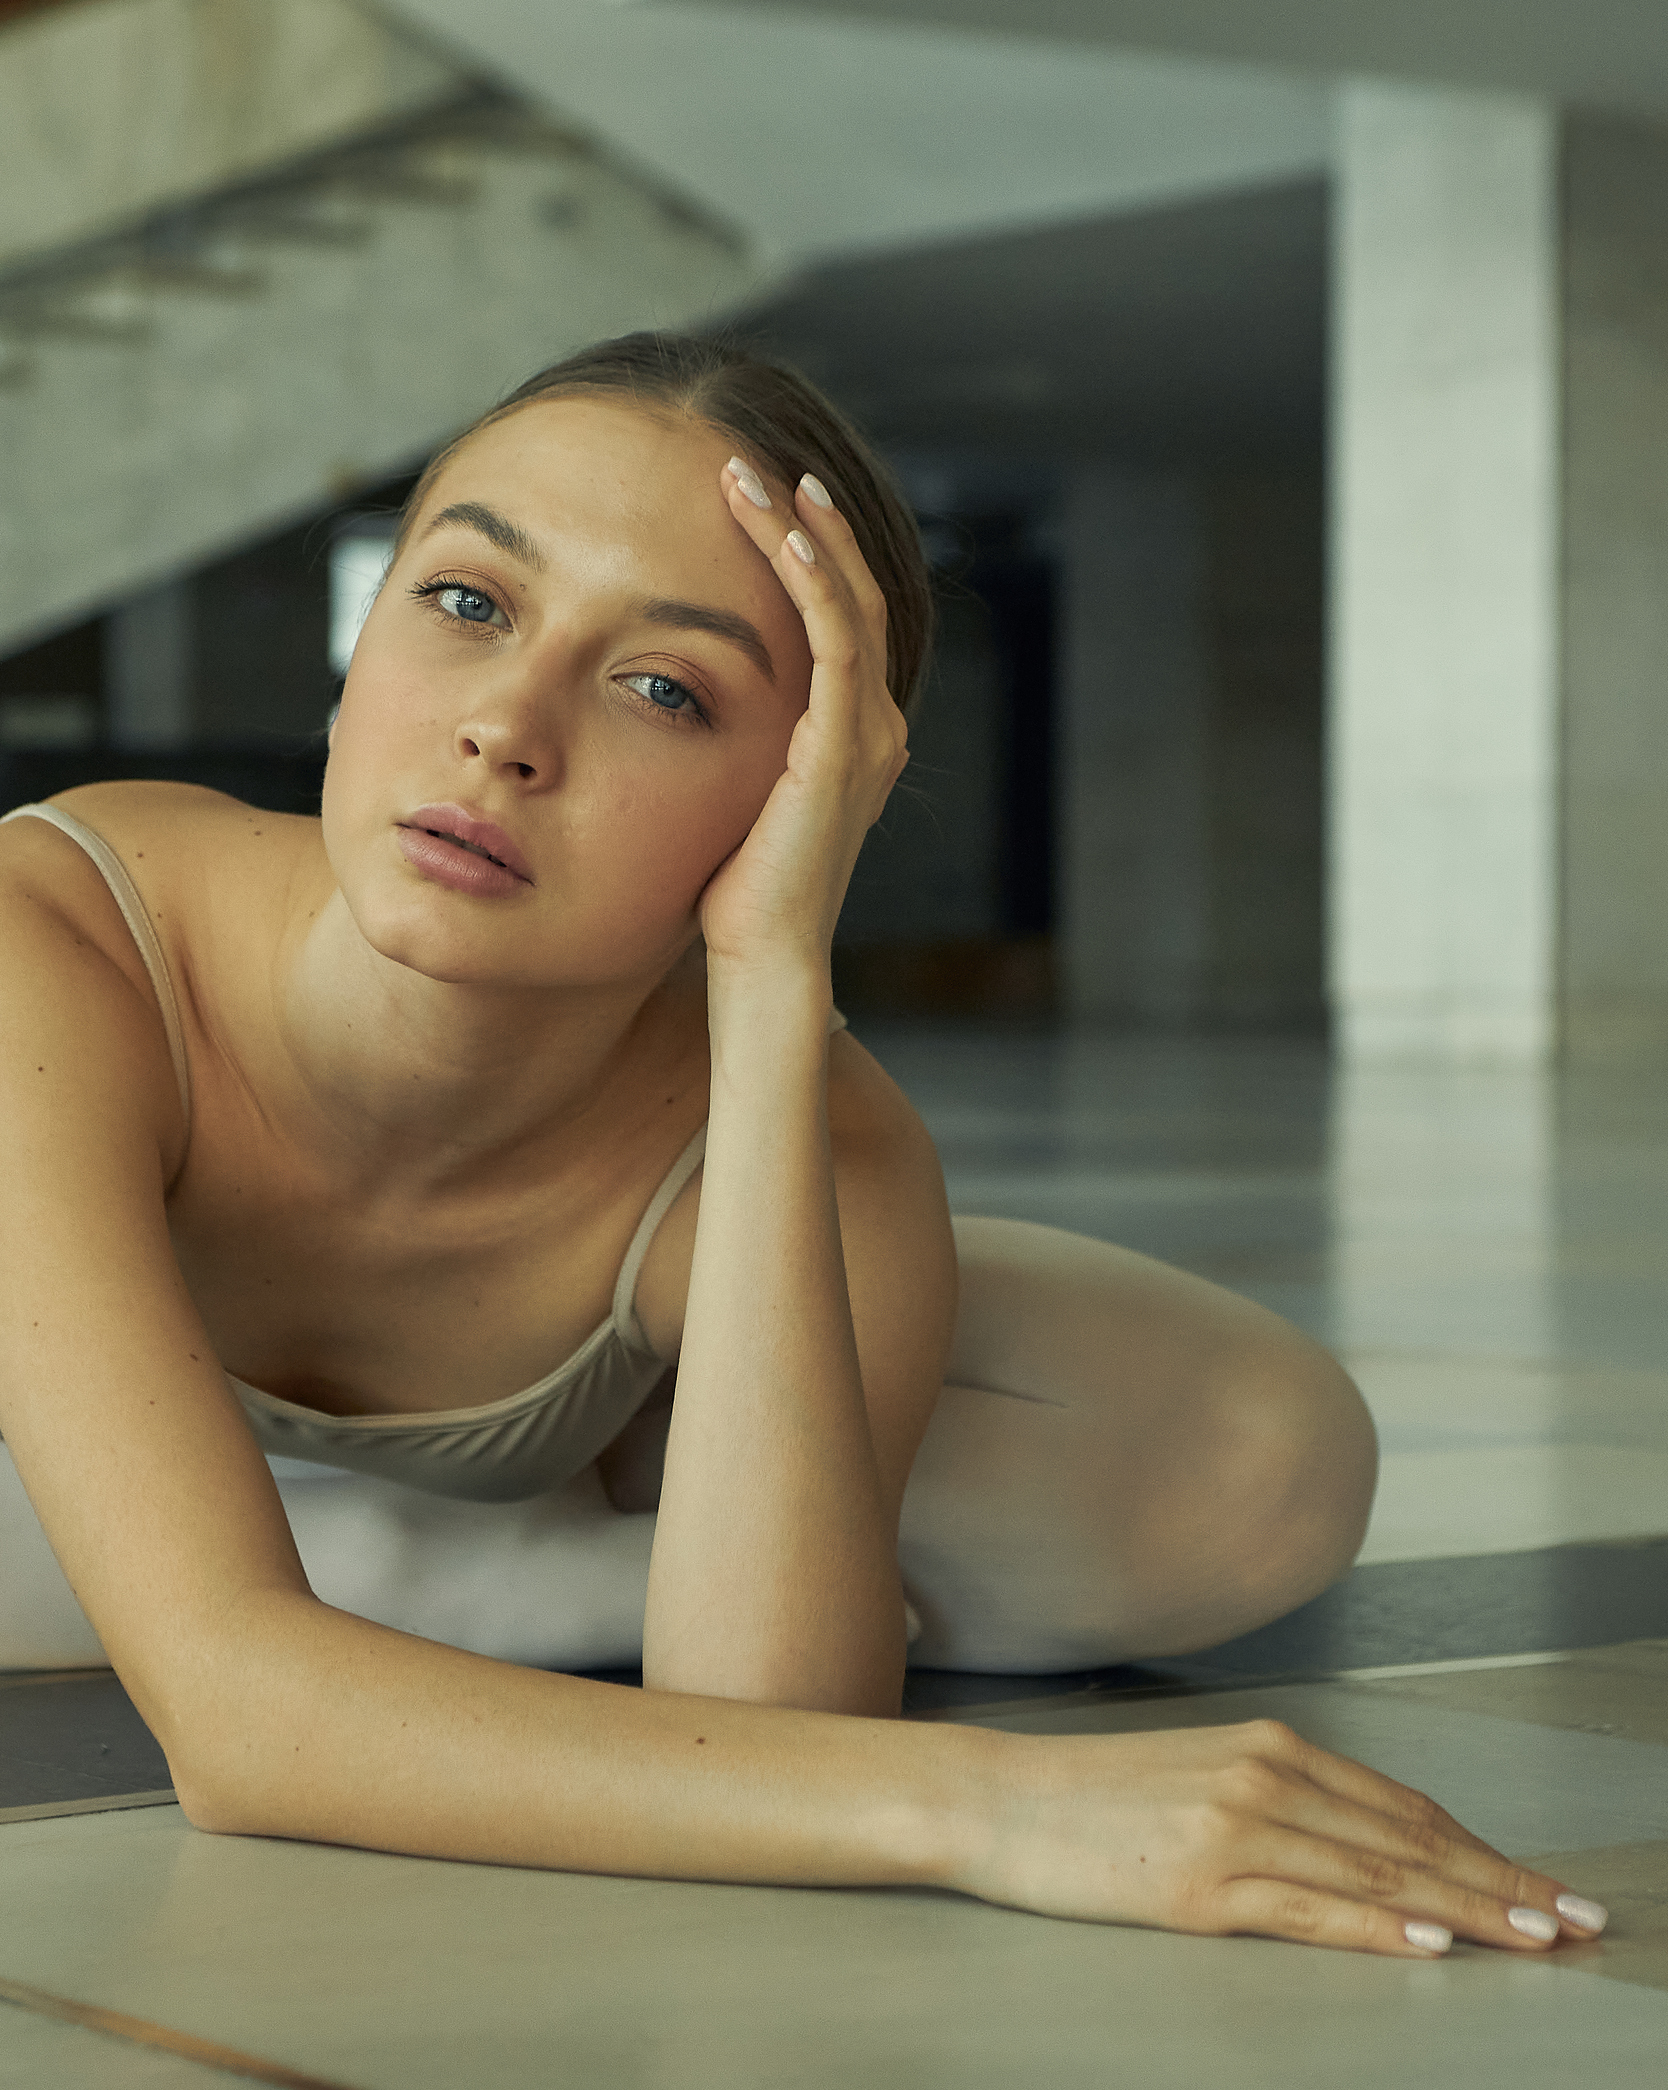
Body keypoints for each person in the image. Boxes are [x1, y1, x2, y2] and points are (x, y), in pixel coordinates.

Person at [0, 334, 1602, 1960]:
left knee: (1261, 1459)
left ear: (796, 792)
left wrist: (773, 987)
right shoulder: (49, 946)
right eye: (471, 602)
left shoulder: (807, 1109)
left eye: (664, 690)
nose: (506, 729)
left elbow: (763, 1712)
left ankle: (441, 1586)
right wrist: (990, 1808)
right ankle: (431, 1589)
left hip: (613, 1248)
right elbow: (234, 1725)